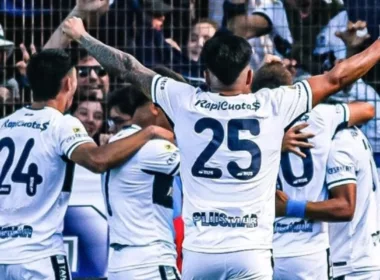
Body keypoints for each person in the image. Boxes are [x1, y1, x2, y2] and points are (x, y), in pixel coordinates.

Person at [62, 16, 380, 279]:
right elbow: (338, 78)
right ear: (249, 76)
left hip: (201, 255)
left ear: (205, 75)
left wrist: (83, 36)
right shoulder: (273, 104)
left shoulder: (184, 100)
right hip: (252, 254)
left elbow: (129, 68)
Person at [0, 49, 172, 279]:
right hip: (38, 257)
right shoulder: (61, 124)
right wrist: (148, 132)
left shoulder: (5, 124)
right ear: (69, 83)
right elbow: (97, 160)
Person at [252, 62, 375, 280]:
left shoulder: (247, 131)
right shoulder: (324, 120)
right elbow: (367, 109)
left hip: (267, 250)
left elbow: (346, 208)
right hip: (315, 253)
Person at [277, 126, 380, 279]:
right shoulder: (350, 133)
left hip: (350, 266)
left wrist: (288, 207)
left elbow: (345, 207)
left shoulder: (338, 144)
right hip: (360, 258)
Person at [104, 85, 181, 280]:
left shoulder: (115, 144)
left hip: (118, 262)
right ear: (154, 107)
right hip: (150, 261)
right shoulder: (153, 147)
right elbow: (206, 165)